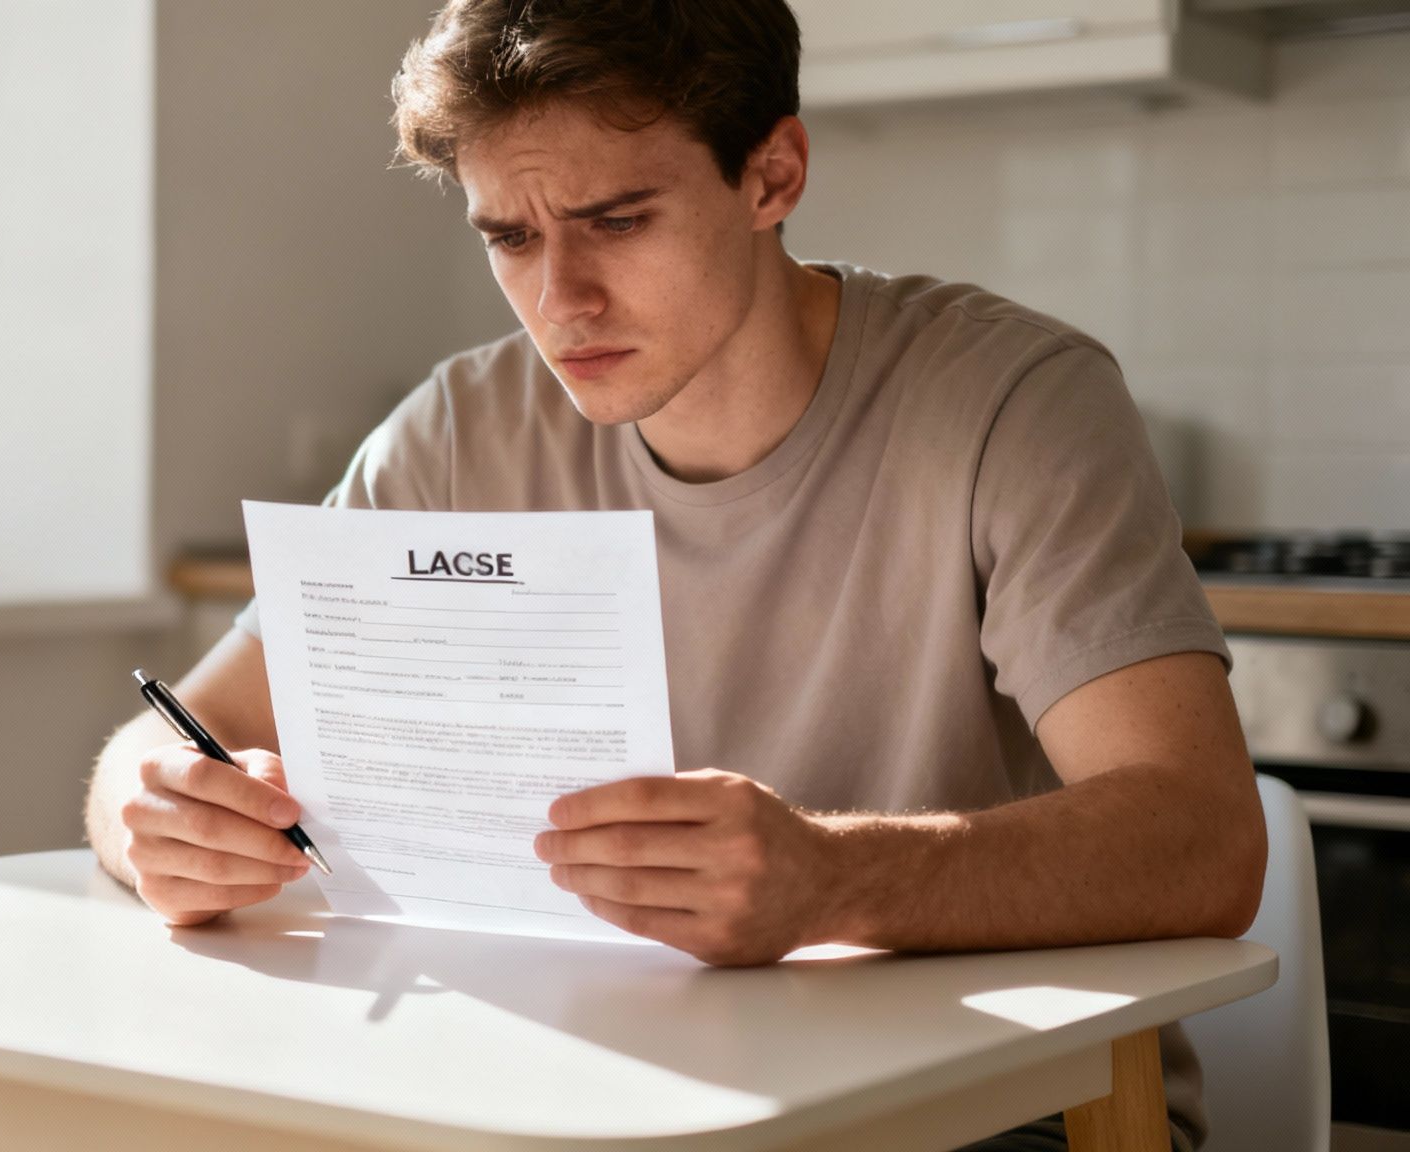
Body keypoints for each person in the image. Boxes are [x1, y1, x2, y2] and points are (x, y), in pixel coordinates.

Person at [84, 2, 1267, 1148]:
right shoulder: (454, 429)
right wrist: (154, 822)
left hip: (985, 1108)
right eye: (509, 237)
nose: (560, 301)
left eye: (615, 220)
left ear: (772, 176)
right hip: (577, 1091)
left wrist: (830, 880)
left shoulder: (1014, 401)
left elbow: (1203, 841)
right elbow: (164, 741)